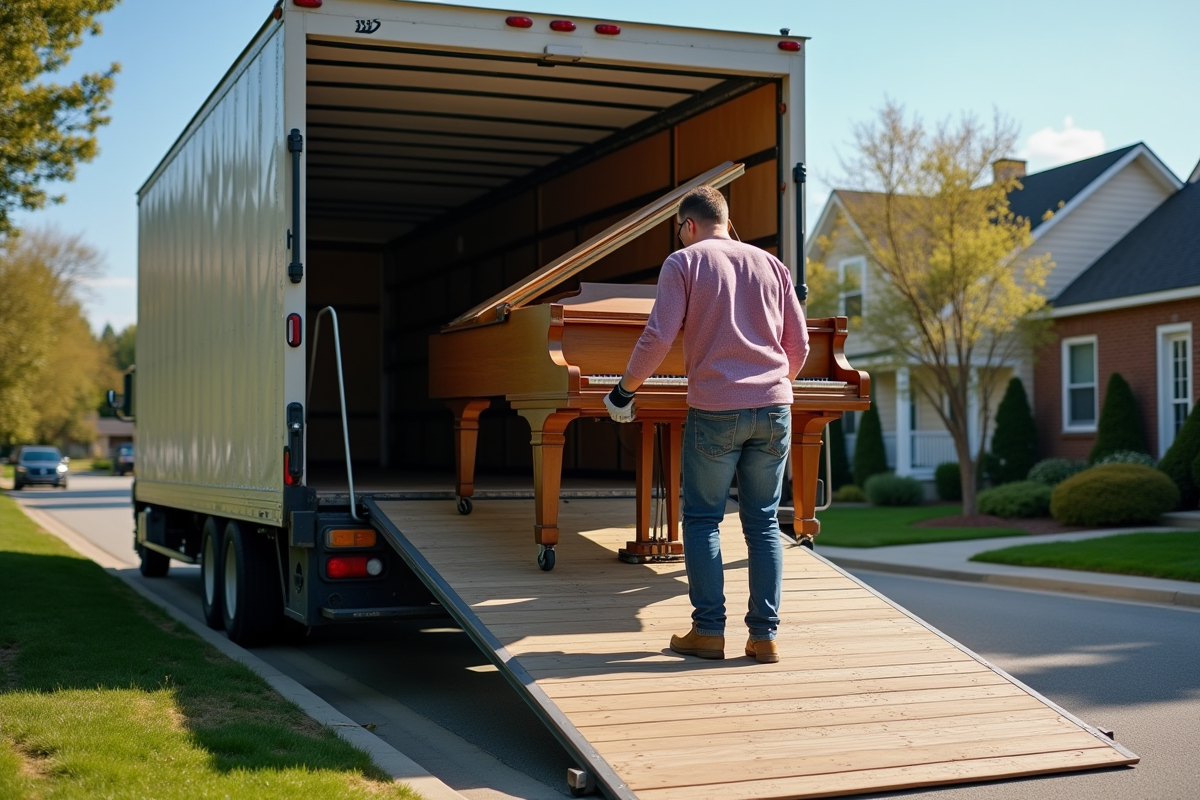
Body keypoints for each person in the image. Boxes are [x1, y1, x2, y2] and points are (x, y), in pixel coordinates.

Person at [603, 185, 809, 664]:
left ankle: (709, 632)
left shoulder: (684, 261)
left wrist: (624, 390)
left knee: (702, 520)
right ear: (727, 221)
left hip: (716, 410)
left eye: (679, 230)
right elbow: (797, 345)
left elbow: (658, 336)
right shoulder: (772, 264)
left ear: (689, 225)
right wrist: (772, 388)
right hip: (775, 408)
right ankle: (764, 637)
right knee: (763, 523)